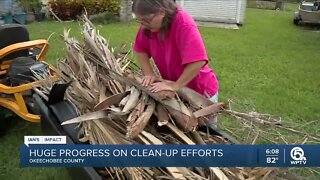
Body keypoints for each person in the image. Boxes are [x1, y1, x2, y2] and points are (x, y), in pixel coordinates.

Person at [132, 0, 219, 124]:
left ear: (161, 12)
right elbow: (140, 49)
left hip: (199, 91)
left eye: (146, 20)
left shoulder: (184, 23)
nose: (143, 25)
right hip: (176, 89)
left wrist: (175, 86)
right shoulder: (149, 27)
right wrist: (149, 73)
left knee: (206, 134)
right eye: (140, 21)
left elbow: (198, 61)